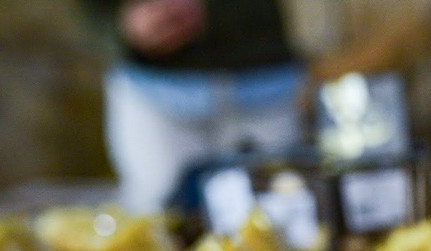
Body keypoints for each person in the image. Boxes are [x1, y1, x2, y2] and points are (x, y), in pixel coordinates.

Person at [79, 0, 307, 213]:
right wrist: (120, 24)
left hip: (262, 85)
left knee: (278, 209)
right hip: (154, 89)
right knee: (156, 214)